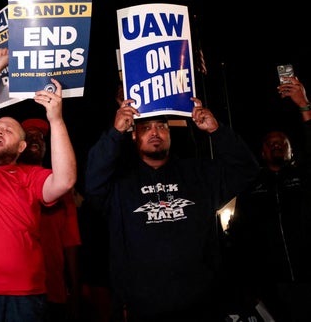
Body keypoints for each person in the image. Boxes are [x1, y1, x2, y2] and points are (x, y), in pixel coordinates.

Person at [83, 97, 260, 322]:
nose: (155, 132)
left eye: (161, 126)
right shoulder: (119, 183)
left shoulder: (198, 173)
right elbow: (92, 182)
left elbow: (247, 170)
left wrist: (217, 130)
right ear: (134, 135)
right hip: (143, 307)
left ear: (170, 133)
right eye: (146, 128)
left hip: (203, 305)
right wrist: (114, 133)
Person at [0, 47, 77, 322]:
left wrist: (55, 118)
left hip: (25, 295)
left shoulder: (31, 177)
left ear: (21, 146)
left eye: (8, 130)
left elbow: (65, 180)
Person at [226, 75, 311, 322]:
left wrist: (305, 107)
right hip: (270, 288)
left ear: (291, 150)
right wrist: (246, 286)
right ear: (262, 152)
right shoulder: (250, 186)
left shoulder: (304, 177)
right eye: (270, 144)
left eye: (281, 143)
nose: (276, 146)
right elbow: (238, 235)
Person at [20, 118, 82, 322]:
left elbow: (70, 241)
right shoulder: (8, 179)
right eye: (28, 135)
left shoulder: (60, 187)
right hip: (17, 291)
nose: (35, 139)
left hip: (53, 289)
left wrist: (75, 292)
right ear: (19, 145)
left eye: (40, 136)